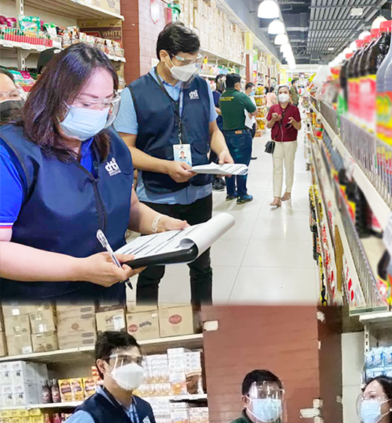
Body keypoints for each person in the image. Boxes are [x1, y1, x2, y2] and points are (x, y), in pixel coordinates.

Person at [0, 44, 186, 301]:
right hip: (40, 305)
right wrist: (80, 269)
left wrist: (160, 224)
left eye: (106, 102)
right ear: (53, 96)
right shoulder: (12, 152)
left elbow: (128, 207)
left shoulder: (109, 142)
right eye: (86, 102)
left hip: (107, 296)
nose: (97, 113)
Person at [115, 22, 232, 306]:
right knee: (151, 269)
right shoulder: (135, 94)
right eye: (185, 61)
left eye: (195, 60)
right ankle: (147, 323)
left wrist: (223, 152)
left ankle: (203, 323)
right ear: (164, 56)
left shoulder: (201, 87)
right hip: (157, 196)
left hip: (199, 192)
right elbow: (126, 151)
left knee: (202, 264)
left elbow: (212, 130)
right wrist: (165, 167)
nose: (191, 67)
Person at [219, 74, 257, 204]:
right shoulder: (241, 96)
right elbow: (254, 110)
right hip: (241, 134)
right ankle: (242, 194)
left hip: (226, 135)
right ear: (237, 85)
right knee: (242, 164)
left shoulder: (222, 96)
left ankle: (230, 192)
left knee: (229, 164)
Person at [268, 84, 302, 209]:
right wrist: (273, 120)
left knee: (289, 166)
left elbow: (299, 127)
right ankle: (276, 196)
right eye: (281, 92)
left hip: (290, 142)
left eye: (285, 92)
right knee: (277, 168)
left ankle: (288, 191)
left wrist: (293, 122)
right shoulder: (273, 108)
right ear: (277, 94)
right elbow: (268, 125)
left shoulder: (294, 109)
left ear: (289, 95)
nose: (283, 94)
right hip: (276, 142)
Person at [211, 75, 226, 191]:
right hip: (216, 126)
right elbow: (211, 107)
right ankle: (213, 178)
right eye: (221, 81)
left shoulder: (224, 94)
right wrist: (222, 112)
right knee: (214, 154)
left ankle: (218, 176)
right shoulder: (214, 94)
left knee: (220, 153)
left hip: (223, 126)